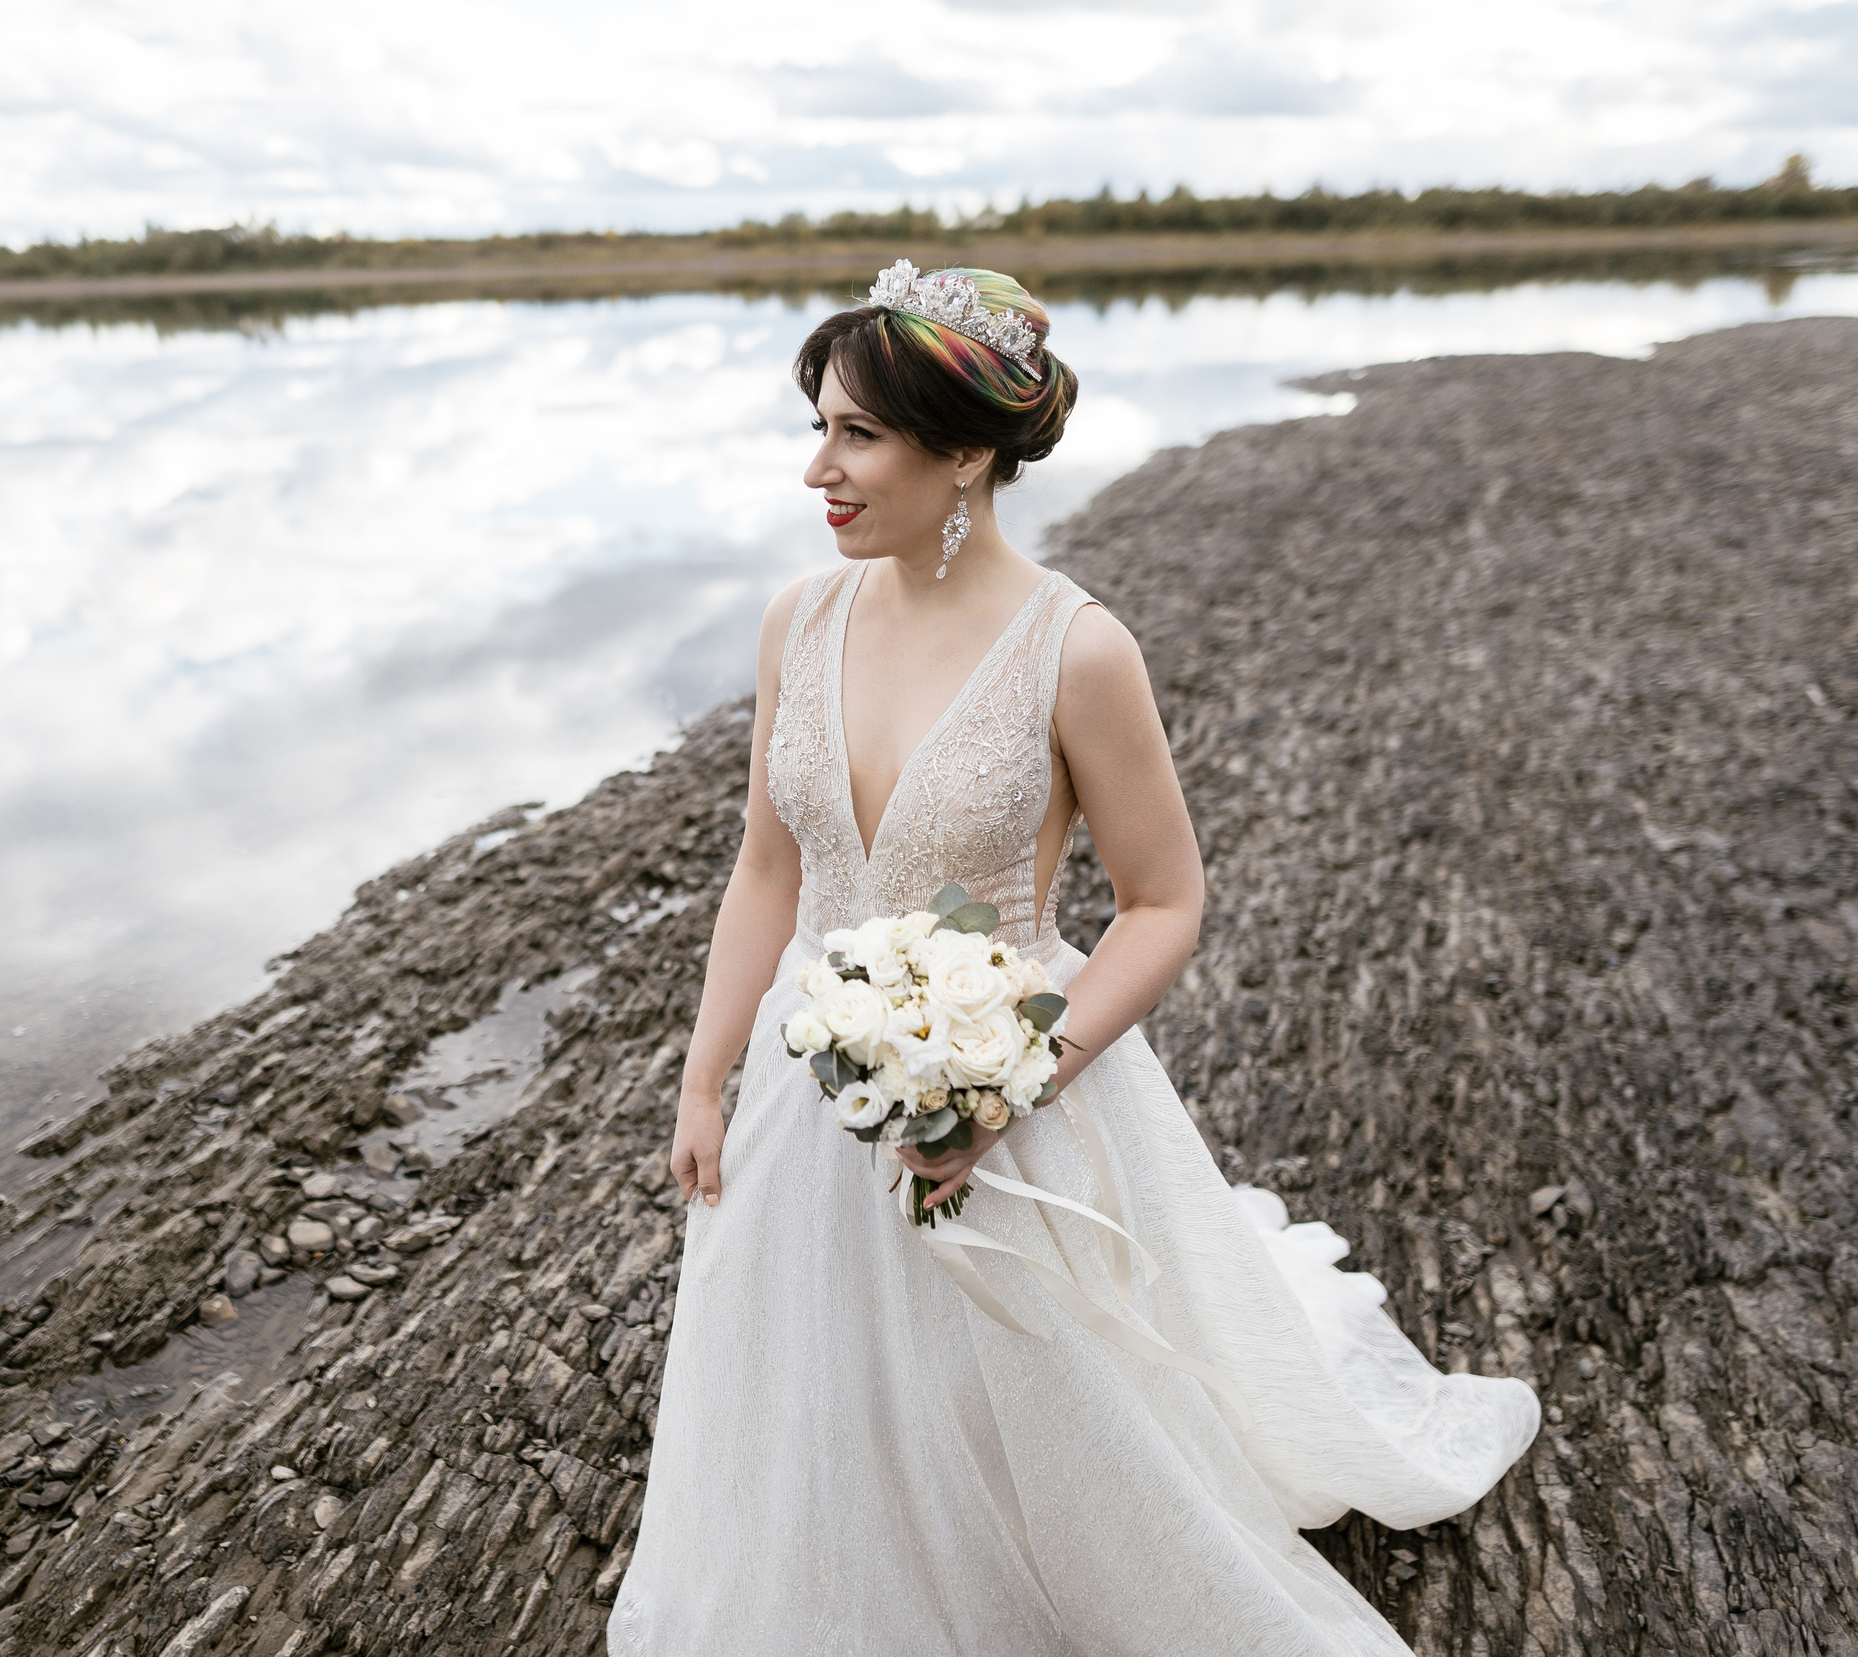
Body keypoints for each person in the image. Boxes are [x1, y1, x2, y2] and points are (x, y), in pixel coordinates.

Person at [610, 263, 1538, 1654]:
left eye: (856, 434)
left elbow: (1164, 902)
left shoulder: (1078, 650)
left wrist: (1012, 1081)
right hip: (809, 1095)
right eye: (820, 428)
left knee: (1057, 1410)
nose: (820, 468)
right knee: (821, 1389)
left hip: (1012, 1084)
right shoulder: (798, 622)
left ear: (967, 450)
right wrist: (704, 1076)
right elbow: (768, 866)